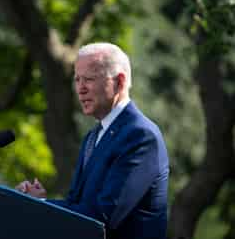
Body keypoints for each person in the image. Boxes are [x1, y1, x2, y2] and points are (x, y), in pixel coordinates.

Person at [16, 42, 169, 239]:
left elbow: (103, 217)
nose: (80, 89)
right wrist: (41, 201)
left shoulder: (140, 135)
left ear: (119, 82)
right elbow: (76, 205)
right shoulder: (92, 136)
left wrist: (41, 206)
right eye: (77, 80)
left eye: (89, 79)